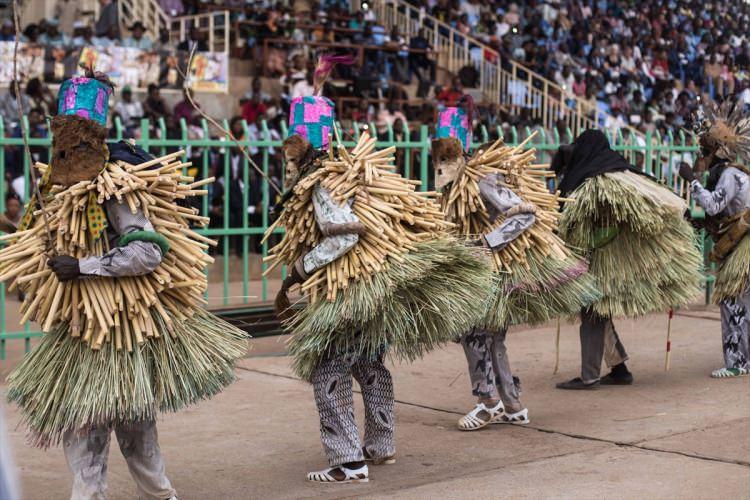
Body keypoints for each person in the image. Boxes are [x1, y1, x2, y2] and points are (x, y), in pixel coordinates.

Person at [3, 71, 246, 500]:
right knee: (82, 428)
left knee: (133, 428)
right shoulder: (58, 183)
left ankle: (159, 496)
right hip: (80, 329)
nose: (67, 148)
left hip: (119, 328)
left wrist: (84, 266)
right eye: (62, 137)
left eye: (76, 139)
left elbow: (148, 253)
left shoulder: (118, 185)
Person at [274, 56, 490, 484]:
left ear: (298, 150)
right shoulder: (348, 170)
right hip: (375, 286)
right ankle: (381, 444)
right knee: (370, 365)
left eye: (289, 153)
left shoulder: (322, 182)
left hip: (351, 291)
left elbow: (343, 236)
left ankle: (348, 460)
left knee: (329, 370)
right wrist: (318, 86)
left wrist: (300, 268)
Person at [433, 96, 598, 429]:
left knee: (475, 334)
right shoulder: (451, 185)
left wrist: (487, 243)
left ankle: (488, 401)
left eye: (447, 157)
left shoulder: (482, 180)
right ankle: (512, 403)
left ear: (461, 153)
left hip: (495, 274)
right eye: (437, 157)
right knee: (492, 337)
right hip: (481, 272)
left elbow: (525, 213)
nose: (440, 165)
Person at [553, 130, 702, 389]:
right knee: (600, 314)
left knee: (591, 314)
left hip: (598, 262)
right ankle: (619, 368)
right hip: (613, 263)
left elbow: (571, 217)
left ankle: (589, 376)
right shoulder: (624, 173)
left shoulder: (591, 182)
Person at [678, 100, 750, 378]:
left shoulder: (730, 175)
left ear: (716, 152)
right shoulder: (730, 173)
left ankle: (736, 363)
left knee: (732, 302)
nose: (700, 157)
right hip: (740, 241)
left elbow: (714, 206)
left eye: (703, 151)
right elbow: (718, 215)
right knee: (741, 303)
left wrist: (690, 180)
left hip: (742, 245)